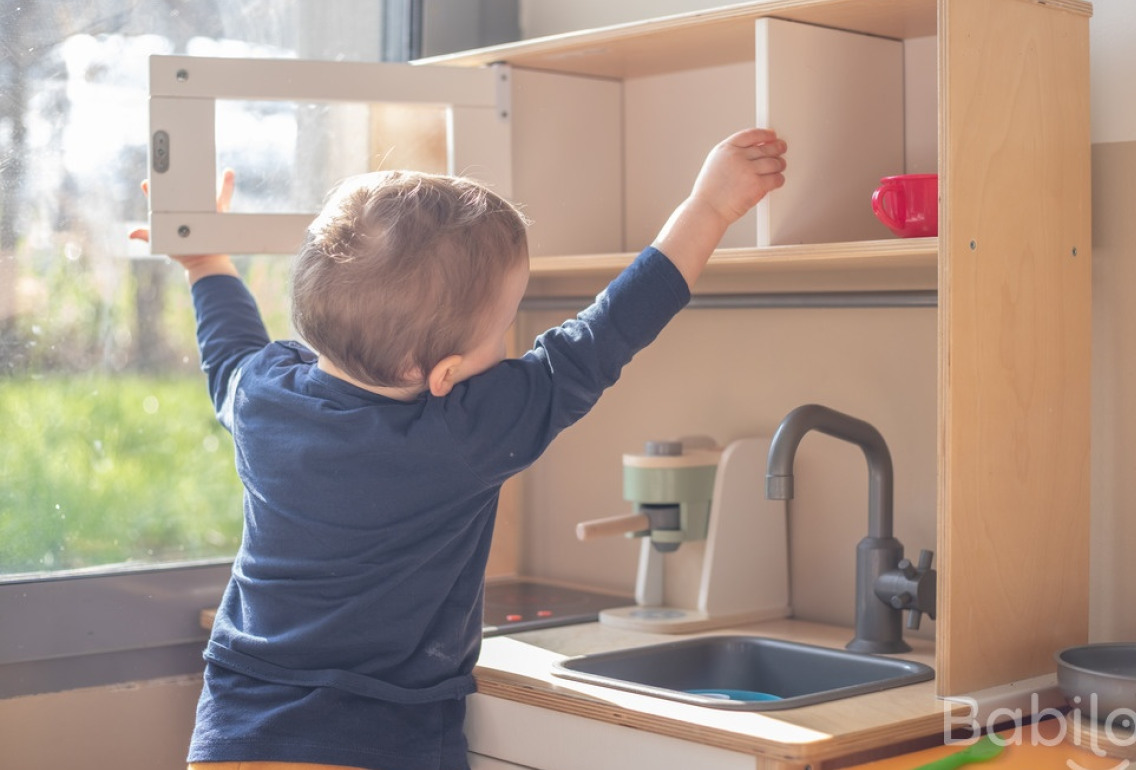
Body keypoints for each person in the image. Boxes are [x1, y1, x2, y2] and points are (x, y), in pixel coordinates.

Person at [136, 127, 786, 770]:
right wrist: (708, 208)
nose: (512, 344)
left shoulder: (262, 397)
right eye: (505, 328)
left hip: (235, 726)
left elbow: (228, 352)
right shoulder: (462, 432)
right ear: (443, 373)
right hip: (382, 737)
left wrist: (206, 263)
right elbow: (603, 337)